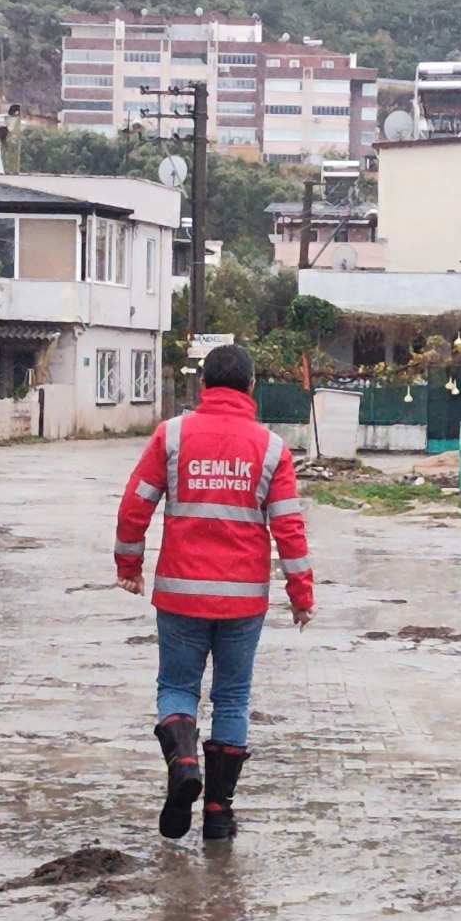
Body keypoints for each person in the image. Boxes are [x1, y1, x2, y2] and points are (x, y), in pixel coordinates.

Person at [114, 344, 315, 841]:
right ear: (251, 388)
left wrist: (129, 563)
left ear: (203, 386)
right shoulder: (272, 448)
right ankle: (219, 813)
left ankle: (184, 762)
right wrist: (301, 594)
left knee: (177, 689)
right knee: (232, 698)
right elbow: (289, 528)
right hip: (243, 600)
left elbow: (135, 504)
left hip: (180, 594)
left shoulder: (172, 435)